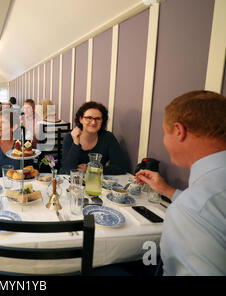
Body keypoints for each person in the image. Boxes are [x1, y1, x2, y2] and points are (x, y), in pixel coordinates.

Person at [135, 90, 226, 276]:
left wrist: (184, 203)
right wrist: (168, 191)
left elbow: (200, 209)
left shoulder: (190, 210)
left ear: (179, 131)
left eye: (164, 132)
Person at [61, 101, 128, 175]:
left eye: (98, 119)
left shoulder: (107, 137)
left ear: (102, 121)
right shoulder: (70, 137)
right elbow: (67, 169)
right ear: (81, 119)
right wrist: (76, 143)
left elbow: (121, 167)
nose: (93, 122)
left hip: (96, 182)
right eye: (89, 118)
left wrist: (91, 169)